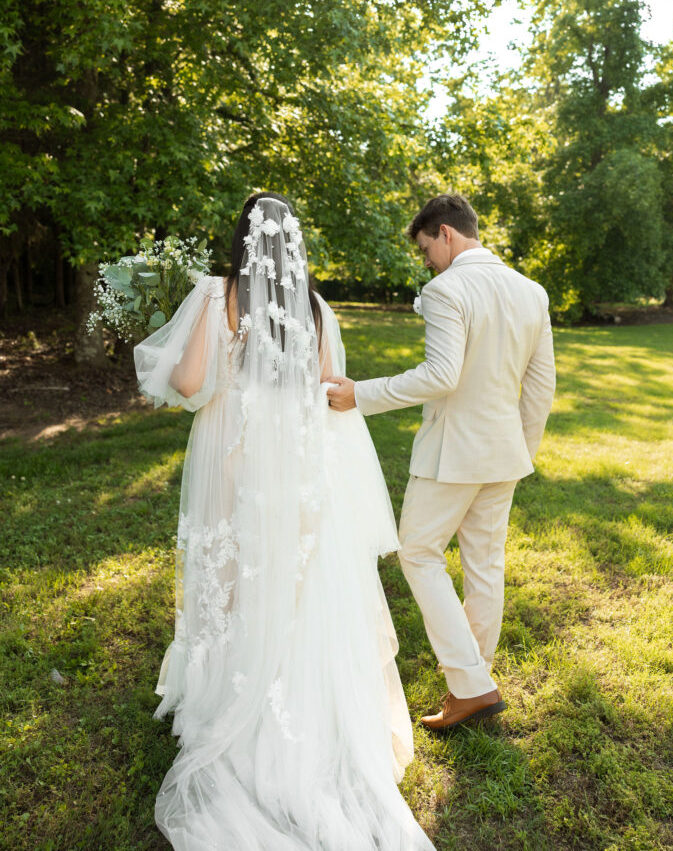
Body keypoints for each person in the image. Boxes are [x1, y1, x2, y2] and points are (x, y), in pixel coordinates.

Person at [133, 193, 435, 851]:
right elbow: (332, 392)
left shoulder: (218, 297)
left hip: (235, 467)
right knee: (295, 592)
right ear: (294, 243)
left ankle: (229, 694)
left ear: (241, 238)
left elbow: (186, 385)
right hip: (296, 477)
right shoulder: (316, 309)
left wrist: (193, 367)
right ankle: (300, 706)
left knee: (234, 582)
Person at [327, 193, 556, 731]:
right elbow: (541, 386)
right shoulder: (531, 291)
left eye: (426, 247)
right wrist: (521, 449)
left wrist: (362, 392)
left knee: (418, 554)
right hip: (505, 453)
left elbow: (441, 375)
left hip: (452, 454)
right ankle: (474, 682)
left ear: (446, 234)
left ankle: (471, 684)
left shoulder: (446, 288)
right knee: (484, 565)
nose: (426, 260)